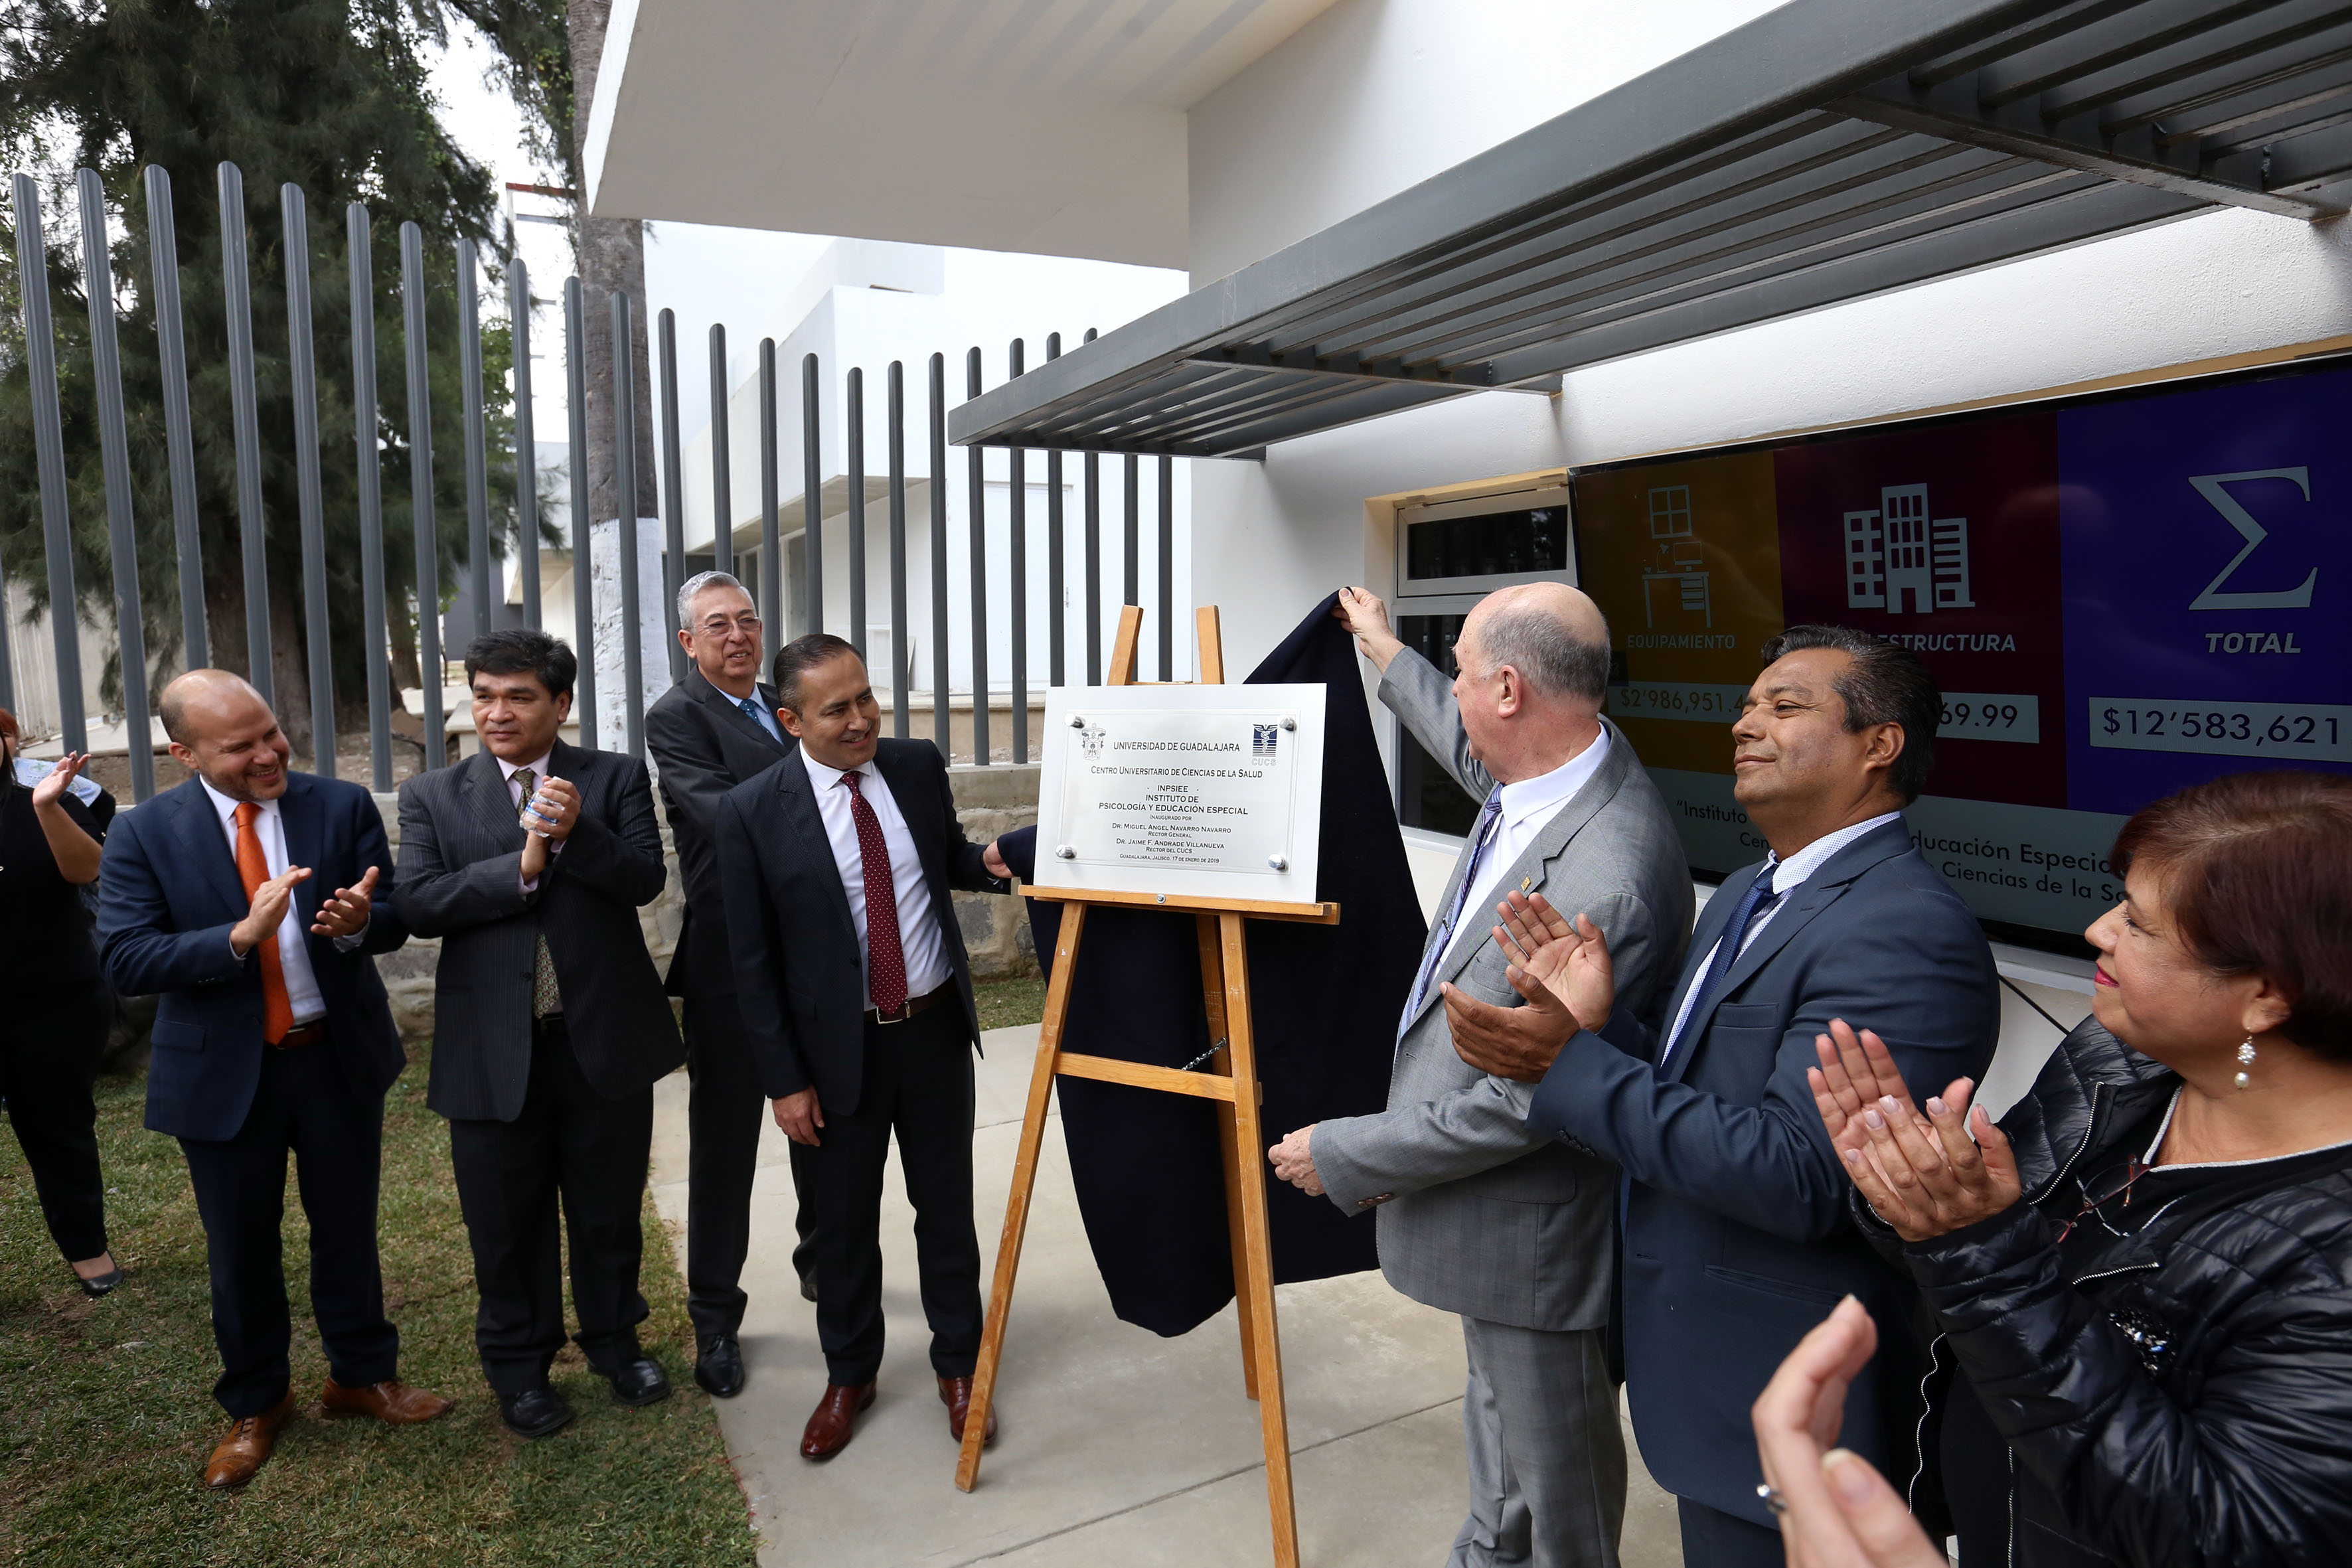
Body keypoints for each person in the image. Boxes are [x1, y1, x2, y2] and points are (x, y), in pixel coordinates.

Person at [1445, 624, 1998, 1568]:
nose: (1746, 723)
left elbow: (1801, 1174)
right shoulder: (1748, 888)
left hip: (1798, 1392)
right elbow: (1686, 1092)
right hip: (1703, 1368)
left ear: (1879, 745)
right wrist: (1586, 1032)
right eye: (1746, 705)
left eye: (1784, 706)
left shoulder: (1903, 930)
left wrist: (1562, 1066)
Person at [1810, 769, 2352, 1567]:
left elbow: (2221, 1534)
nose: (2100, 931)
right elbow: (1975, 1264)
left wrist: (1976, 1245)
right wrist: (1916, 1192)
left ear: (2267, 995)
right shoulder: (2118, 1059)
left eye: (2140, 924)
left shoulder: (2330, 1258)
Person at [1267, 584, 1692, 1568]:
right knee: (1499, 1439)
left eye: (1457, 668)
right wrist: (1382, 649)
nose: (1451, 686)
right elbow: (1471, 754)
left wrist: (1347, 1150)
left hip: (1531, 1235)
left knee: (1559, 1492)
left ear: (1507, 687)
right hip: (1491, 1232)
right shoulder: (1565, 763)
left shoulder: (1605, 880)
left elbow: (1526, 1100)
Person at [97, 670, 447, 1490]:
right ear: (184, 753)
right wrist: (236, 935)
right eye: (241, 745)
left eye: (271, 732)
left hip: (334, 1057)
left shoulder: (340, 805)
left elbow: (392, 910)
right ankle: (257, 1403)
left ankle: (360, 1375)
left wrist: (365, 923)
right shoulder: (144, 833)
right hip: (224, 1077)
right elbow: (123, 955)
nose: (268, 753)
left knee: (348, 1229)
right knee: (240, 1248)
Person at [714, 633, 1012, 1460]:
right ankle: (850, 1374)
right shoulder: (751, 813)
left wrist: (1007, 860)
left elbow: (945, 857)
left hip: (934, 1034)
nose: (861, 720)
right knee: (842, 1227)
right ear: (789, 719)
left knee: (945, 1213)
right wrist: (785, 1081)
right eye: (837, 708)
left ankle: (961, 1367)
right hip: (831, 1059)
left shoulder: (913, 765)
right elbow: (753, 963)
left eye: (867, 697)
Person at [393, 629, 683, 1439]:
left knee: (606, 1208)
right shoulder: (435, 796)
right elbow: (417, 903)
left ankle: (616, 1342)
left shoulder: (615, 776)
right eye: (483, 695)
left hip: (601, 1040)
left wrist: (575, 831)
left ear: (560, 703)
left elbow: (644, 879)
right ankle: (520, 1368)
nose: (496, 711)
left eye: (519, 695)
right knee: (505, 1218)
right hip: (491, 1044)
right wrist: (521, 866)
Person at [644, 570, 812, 1400]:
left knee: (829, 1119)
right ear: (689, 643)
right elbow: (720, 812)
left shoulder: (791, 699)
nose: (739, 636)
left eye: (748, 619)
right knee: (725, 1145)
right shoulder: (677, 717)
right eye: (718, 626)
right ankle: (716, 1315)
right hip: (730, 961)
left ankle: (824, 1261)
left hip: (817, 953)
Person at [1, 709, 120, 1296]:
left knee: (61, 1129)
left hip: (53, 1002)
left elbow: (91, 870)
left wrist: (47, 808)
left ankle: (86, 1246)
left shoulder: (47, 800)